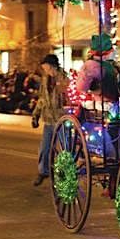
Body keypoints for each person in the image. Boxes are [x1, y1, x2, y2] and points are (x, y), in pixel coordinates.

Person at [32, 54, 68, 186]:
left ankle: (65, 172)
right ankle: (43, 171)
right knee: (44, 148)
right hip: (48, 120)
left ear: (51, 66)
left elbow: (68, 98)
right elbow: (42, 99)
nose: (44, 69)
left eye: (45, 67)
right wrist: (35, 115)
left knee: (65, 148)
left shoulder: (63, 78)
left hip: (61, 119)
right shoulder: (44, 80)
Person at [76, 33, 120, 102]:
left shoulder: (90, 65)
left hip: (102, 103)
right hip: (108, 103)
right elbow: (82, 87)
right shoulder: (93, 66)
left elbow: (81, 87)